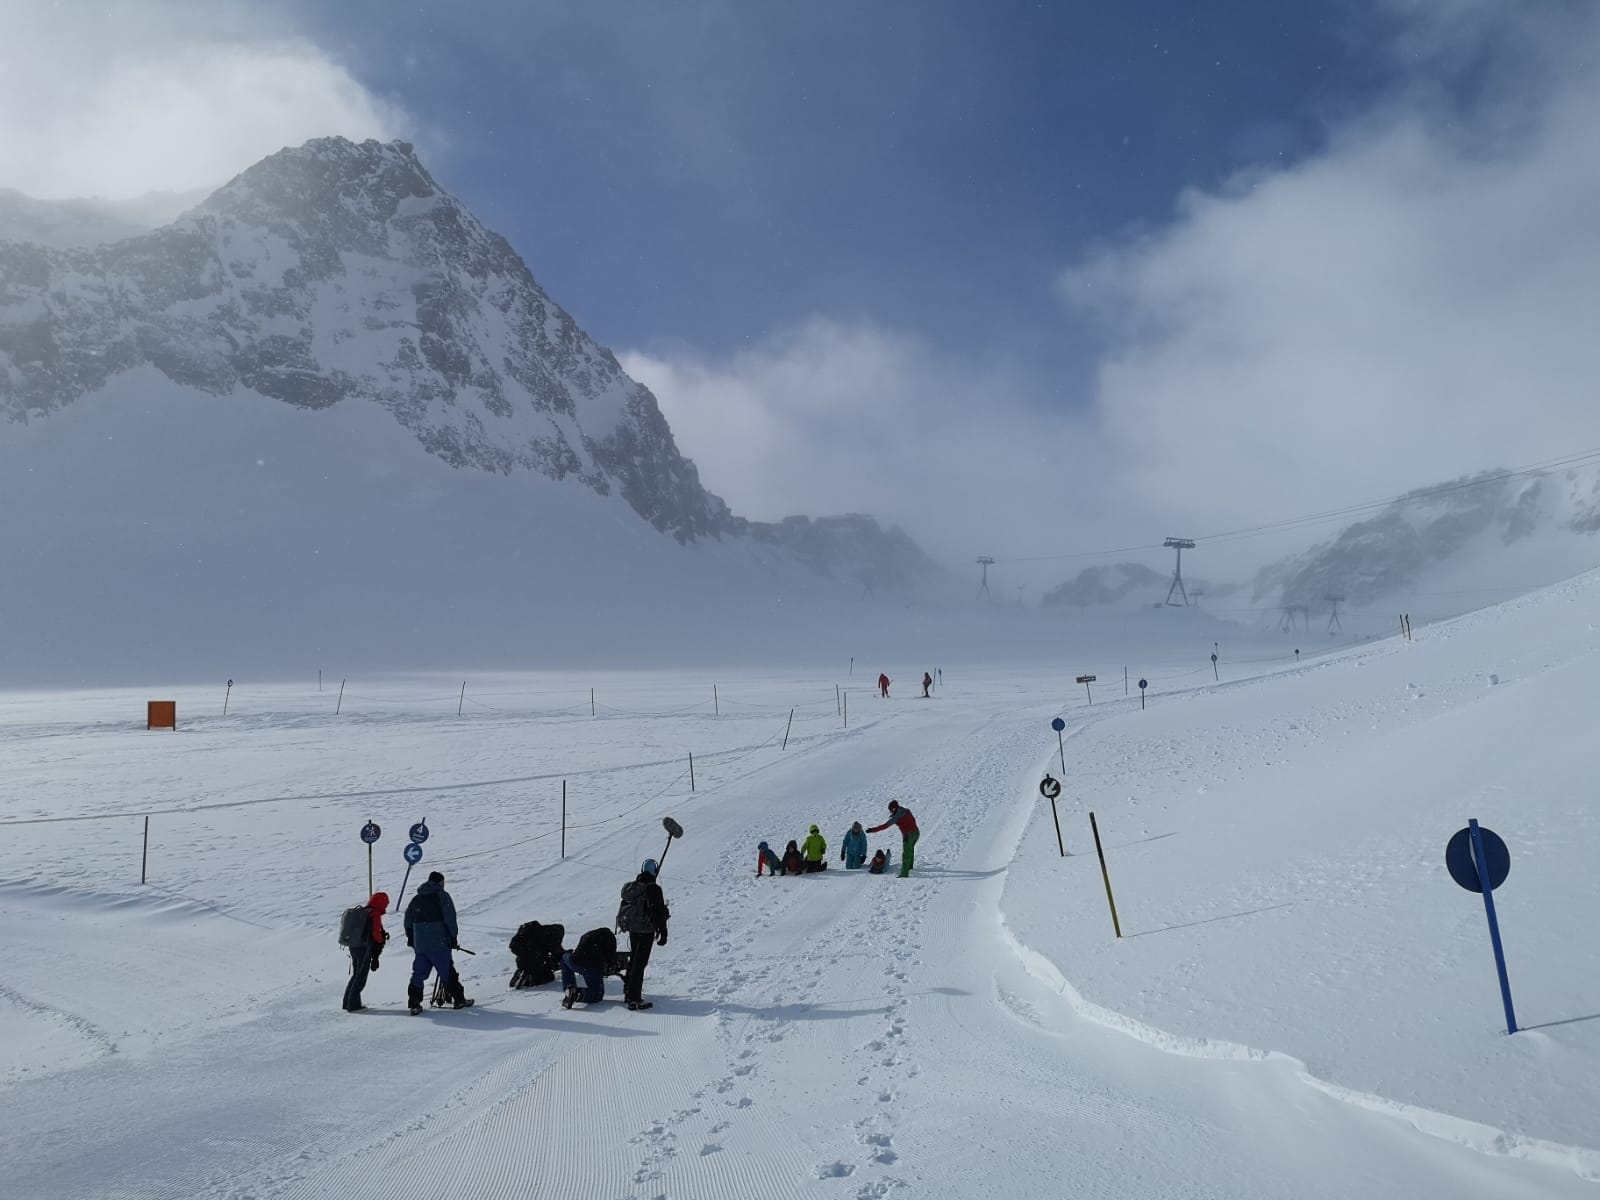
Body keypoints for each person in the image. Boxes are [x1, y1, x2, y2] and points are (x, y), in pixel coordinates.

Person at [405, 871, 473, 1013]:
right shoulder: (442, 896)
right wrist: (453, 937)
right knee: (447, 972)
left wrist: (411, 938)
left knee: (418, 973)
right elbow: (450, 918)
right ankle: (459, 999)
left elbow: (408, 921)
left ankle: (414, 1002)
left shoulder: (416, 899)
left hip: (421, 945)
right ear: (440, 882)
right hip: (439, 943)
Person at [616, 859, 670, 1010]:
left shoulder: (633, 887)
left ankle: (628, 992)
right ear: (655, 872)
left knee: (634, 960)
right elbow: (659, 912)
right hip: (646, 930)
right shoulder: (653, 889)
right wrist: (663, 933)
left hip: (633, 928)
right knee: (640, 963)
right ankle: (634, 999)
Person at [342, 891, 390, 1012]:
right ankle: (353, 1004)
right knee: (361, 977)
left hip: (353, 946)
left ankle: (347, 1002)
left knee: (356, 974)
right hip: (364, 948)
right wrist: (381, 940)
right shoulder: (374, 914)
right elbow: (376, 934)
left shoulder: (363, 912)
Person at [561, 926, 618, 1008]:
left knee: (564, 960)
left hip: (575, 961)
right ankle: (577, 994)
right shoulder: (610, 937)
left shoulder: (588, 935)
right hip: (591, 968)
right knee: (596, 994)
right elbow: (611, 958)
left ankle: (569, 988)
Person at [865, 800, 919, 878]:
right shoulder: (906, 811)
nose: (890, 812)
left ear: (894, 809)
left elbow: (885, 826)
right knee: (910, 850)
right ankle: (910, 866)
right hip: (916, 833)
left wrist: (872, 830)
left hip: (908, 835)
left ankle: (904, 874)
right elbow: (913, 820)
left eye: (890, 810)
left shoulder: (896, 817)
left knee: (906, 854)